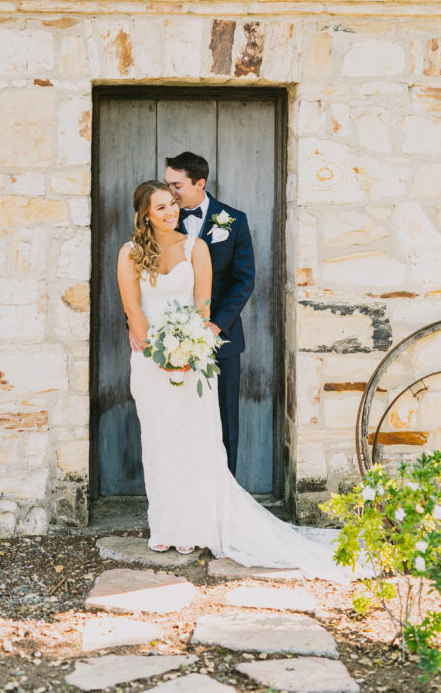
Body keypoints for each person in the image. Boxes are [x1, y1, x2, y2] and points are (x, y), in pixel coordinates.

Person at [116, 179, 357, 581]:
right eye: (160, 208)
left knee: (195, 440)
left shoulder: (197, 248)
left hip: (191, 358)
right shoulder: (129, 253)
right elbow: (133, 309)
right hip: (148, 360)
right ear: (145, 215)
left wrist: (186, 351)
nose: (171, 212)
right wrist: (158, 353)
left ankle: (193, 524)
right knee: (158, 440)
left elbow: (203, 306)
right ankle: (165, 524)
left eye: (172, 204)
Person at [164, 151, 254, 476]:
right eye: (167, 184)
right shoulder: (162, 220)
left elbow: (244, 280)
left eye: (176, 185)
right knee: (179, 420)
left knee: (224, 419)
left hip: (222, 339)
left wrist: (217, 325)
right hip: (171, 341)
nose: (170, 192)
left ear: (199, 183)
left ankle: (226, 492)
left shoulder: (234, 220)